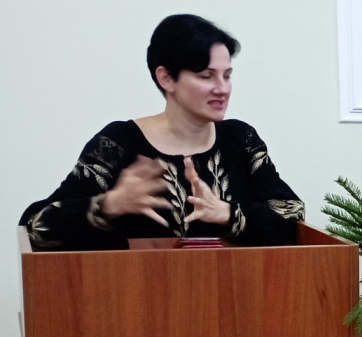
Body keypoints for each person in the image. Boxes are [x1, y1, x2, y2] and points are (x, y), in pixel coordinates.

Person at [21, 14, 304, 250]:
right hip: (135, 296)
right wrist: (107, 206)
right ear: (166, 78)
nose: (223, 88)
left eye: (227, 75)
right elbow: (36, 228)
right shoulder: (118, 142)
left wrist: (228, 214)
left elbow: (292, 215)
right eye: (206, 76)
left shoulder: (241, 139)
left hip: (234, 294)